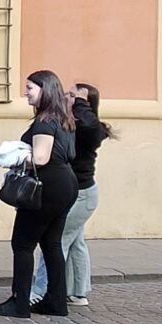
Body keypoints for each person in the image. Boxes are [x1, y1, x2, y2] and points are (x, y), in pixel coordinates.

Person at [0, 70, 78, 319]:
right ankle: (56, 302)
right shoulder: (65, 119)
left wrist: (14, 157)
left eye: (30, 88)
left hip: (48, 184)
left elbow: (40, 158)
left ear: (44, 89)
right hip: (66, 183)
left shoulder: (44, 120)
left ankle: (19, 303)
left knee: (22, 243)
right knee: (51, 244)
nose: (26, 93)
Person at [30, 82, 113, 306]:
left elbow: (92, 128)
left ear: (84, 104)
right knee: (75, 241)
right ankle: (78, 291)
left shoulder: (90, 128)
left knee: (55, 241)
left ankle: (41, 292)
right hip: (76, 192)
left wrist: (81, 102)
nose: (66, 97)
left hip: (82, 194)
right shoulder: (73, 125)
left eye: (72, 95)